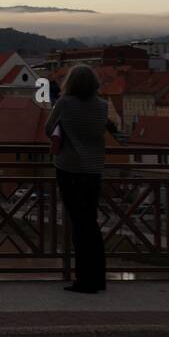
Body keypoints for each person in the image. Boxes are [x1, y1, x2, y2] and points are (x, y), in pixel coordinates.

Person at [44, 64, 116, 294]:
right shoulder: (103, 106)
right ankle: (98, 278)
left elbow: (48, 129)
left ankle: (84, 280)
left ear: (70, 83)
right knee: (91, 224)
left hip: (70, 168)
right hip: (94, 170)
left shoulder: (64, 103)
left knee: (79, 226)